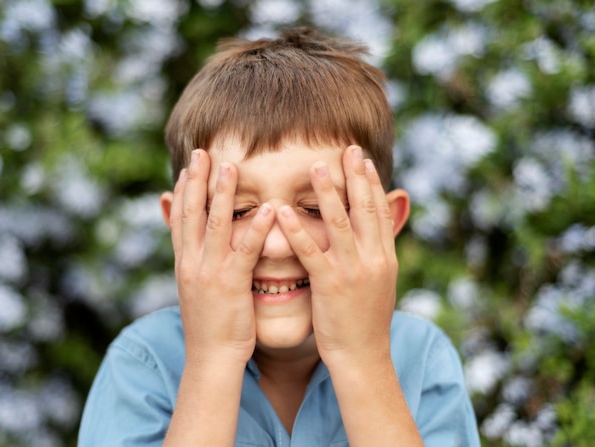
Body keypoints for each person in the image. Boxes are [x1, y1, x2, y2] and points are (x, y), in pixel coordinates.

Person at [78, 27, 480, 446]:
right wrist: (214, 359)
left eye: (315, 208)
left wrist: (360, 358)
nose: (275, 244)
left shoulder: (421, 357)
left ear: (385, 221)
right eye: (236, 211)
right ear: (179, 223)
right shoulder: (144, 362)